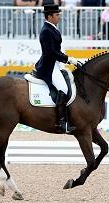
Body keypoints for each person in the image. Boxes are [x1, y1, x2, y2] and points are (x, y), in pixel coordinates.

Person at [35, 4, 79, 133]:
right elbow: (51, 53)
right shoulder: (46, 31)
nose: (59, 17)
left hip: (56, 64)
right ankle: (61, 122)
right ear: (49, 16)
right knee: (63, 88)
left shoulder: (52, 29)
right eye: (57, 15)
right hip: (49, 67)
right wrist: (68, 59)